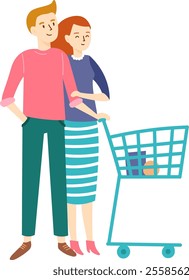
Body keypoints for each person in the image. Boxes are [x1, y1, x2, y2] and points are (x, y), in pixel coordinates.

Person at [0, 1, 108, 260]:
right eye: (44, 24)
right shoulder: (23, 58)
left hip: (60, 124)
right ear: (33, 29)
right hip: (32, 124)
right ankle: (27, 239)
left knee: (60, 183)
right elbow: (7, 97)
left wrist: (95, 115)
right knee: (31, 180)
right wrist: (24, 119)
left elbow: (74, 98)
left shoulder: (62, 58)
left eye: (53, 23)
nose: (50, 28)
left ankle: (62, 239)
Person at [51, 16, 110, 255]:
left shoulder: (90, 62)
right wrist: (94, 113)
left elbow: (105, 94)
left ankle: (90, 239)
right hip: (68, 128)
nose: (83, 39)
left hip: (89, 132)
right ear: (66, 38)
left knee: (88, 187)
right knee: (70, 188)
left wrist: (84, 95)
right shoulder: (61, 62)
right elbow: (68, 100)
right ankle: (73, 239)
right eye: (78, 35)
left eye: (87, 34)